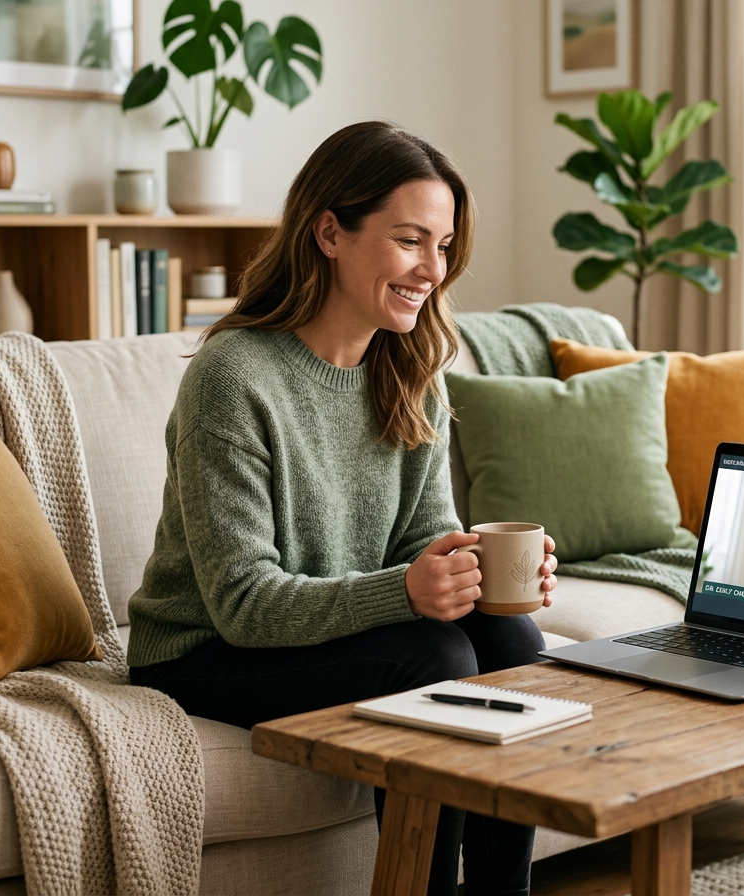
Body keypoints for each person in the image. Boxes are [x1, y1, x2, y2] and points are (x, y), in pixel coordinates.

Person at [126, 122, 557, 896]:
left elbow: (423, 537)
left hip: (330, 626)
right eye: (410, 240)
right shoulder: (235, 376)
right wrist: (405, 592)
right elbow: (241, 604)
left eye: (446, 244)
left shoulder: (415, 364)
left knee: (513, 637)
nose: (434, 268)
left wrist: (480, 576)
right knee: (438, 661)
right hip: (201, 650)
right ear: (330, 231)